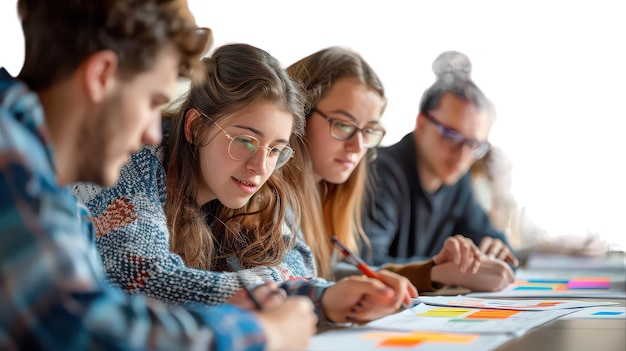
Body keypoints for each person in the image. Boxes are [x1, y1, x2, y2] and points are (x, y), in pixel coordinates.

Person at [0, 1, 318, 350]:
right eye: (153, 102)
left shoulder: (47, 183)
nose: (154, 133)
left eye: (275, 150)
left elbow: (106, 304)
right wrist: (262, 334)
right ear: (101, 76)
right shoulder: (10, 154)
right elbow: (84, 326)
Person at [72, 42, 416, 324]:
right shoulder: (135, 158)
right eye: (245, 141)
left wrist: (314, 291)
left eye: (277, 150)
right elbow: (144, 281)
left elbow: (298, 263)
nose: (261, 166)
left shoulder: (258, 182)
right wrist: (315, 296)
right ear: (194, 127)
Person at [285, 46, 513, 292]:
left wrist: (441, 268)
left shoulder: (330, 189)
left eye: (369, 131)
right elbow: (287, 282)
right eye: (342, 125)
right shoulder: (377, 174)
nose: (357, 146)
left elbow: (328, 273)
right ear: (298, 115)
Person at [362, 50, 520, 272]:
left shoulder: (458, 182)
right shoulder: (380, 172)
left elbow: (507, 254)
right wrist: (440, 270)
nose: (463, 155)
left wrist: (497, 251)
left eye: (474, 144)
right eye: (451, 135)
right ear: (421, 123)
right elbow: (366, 265)